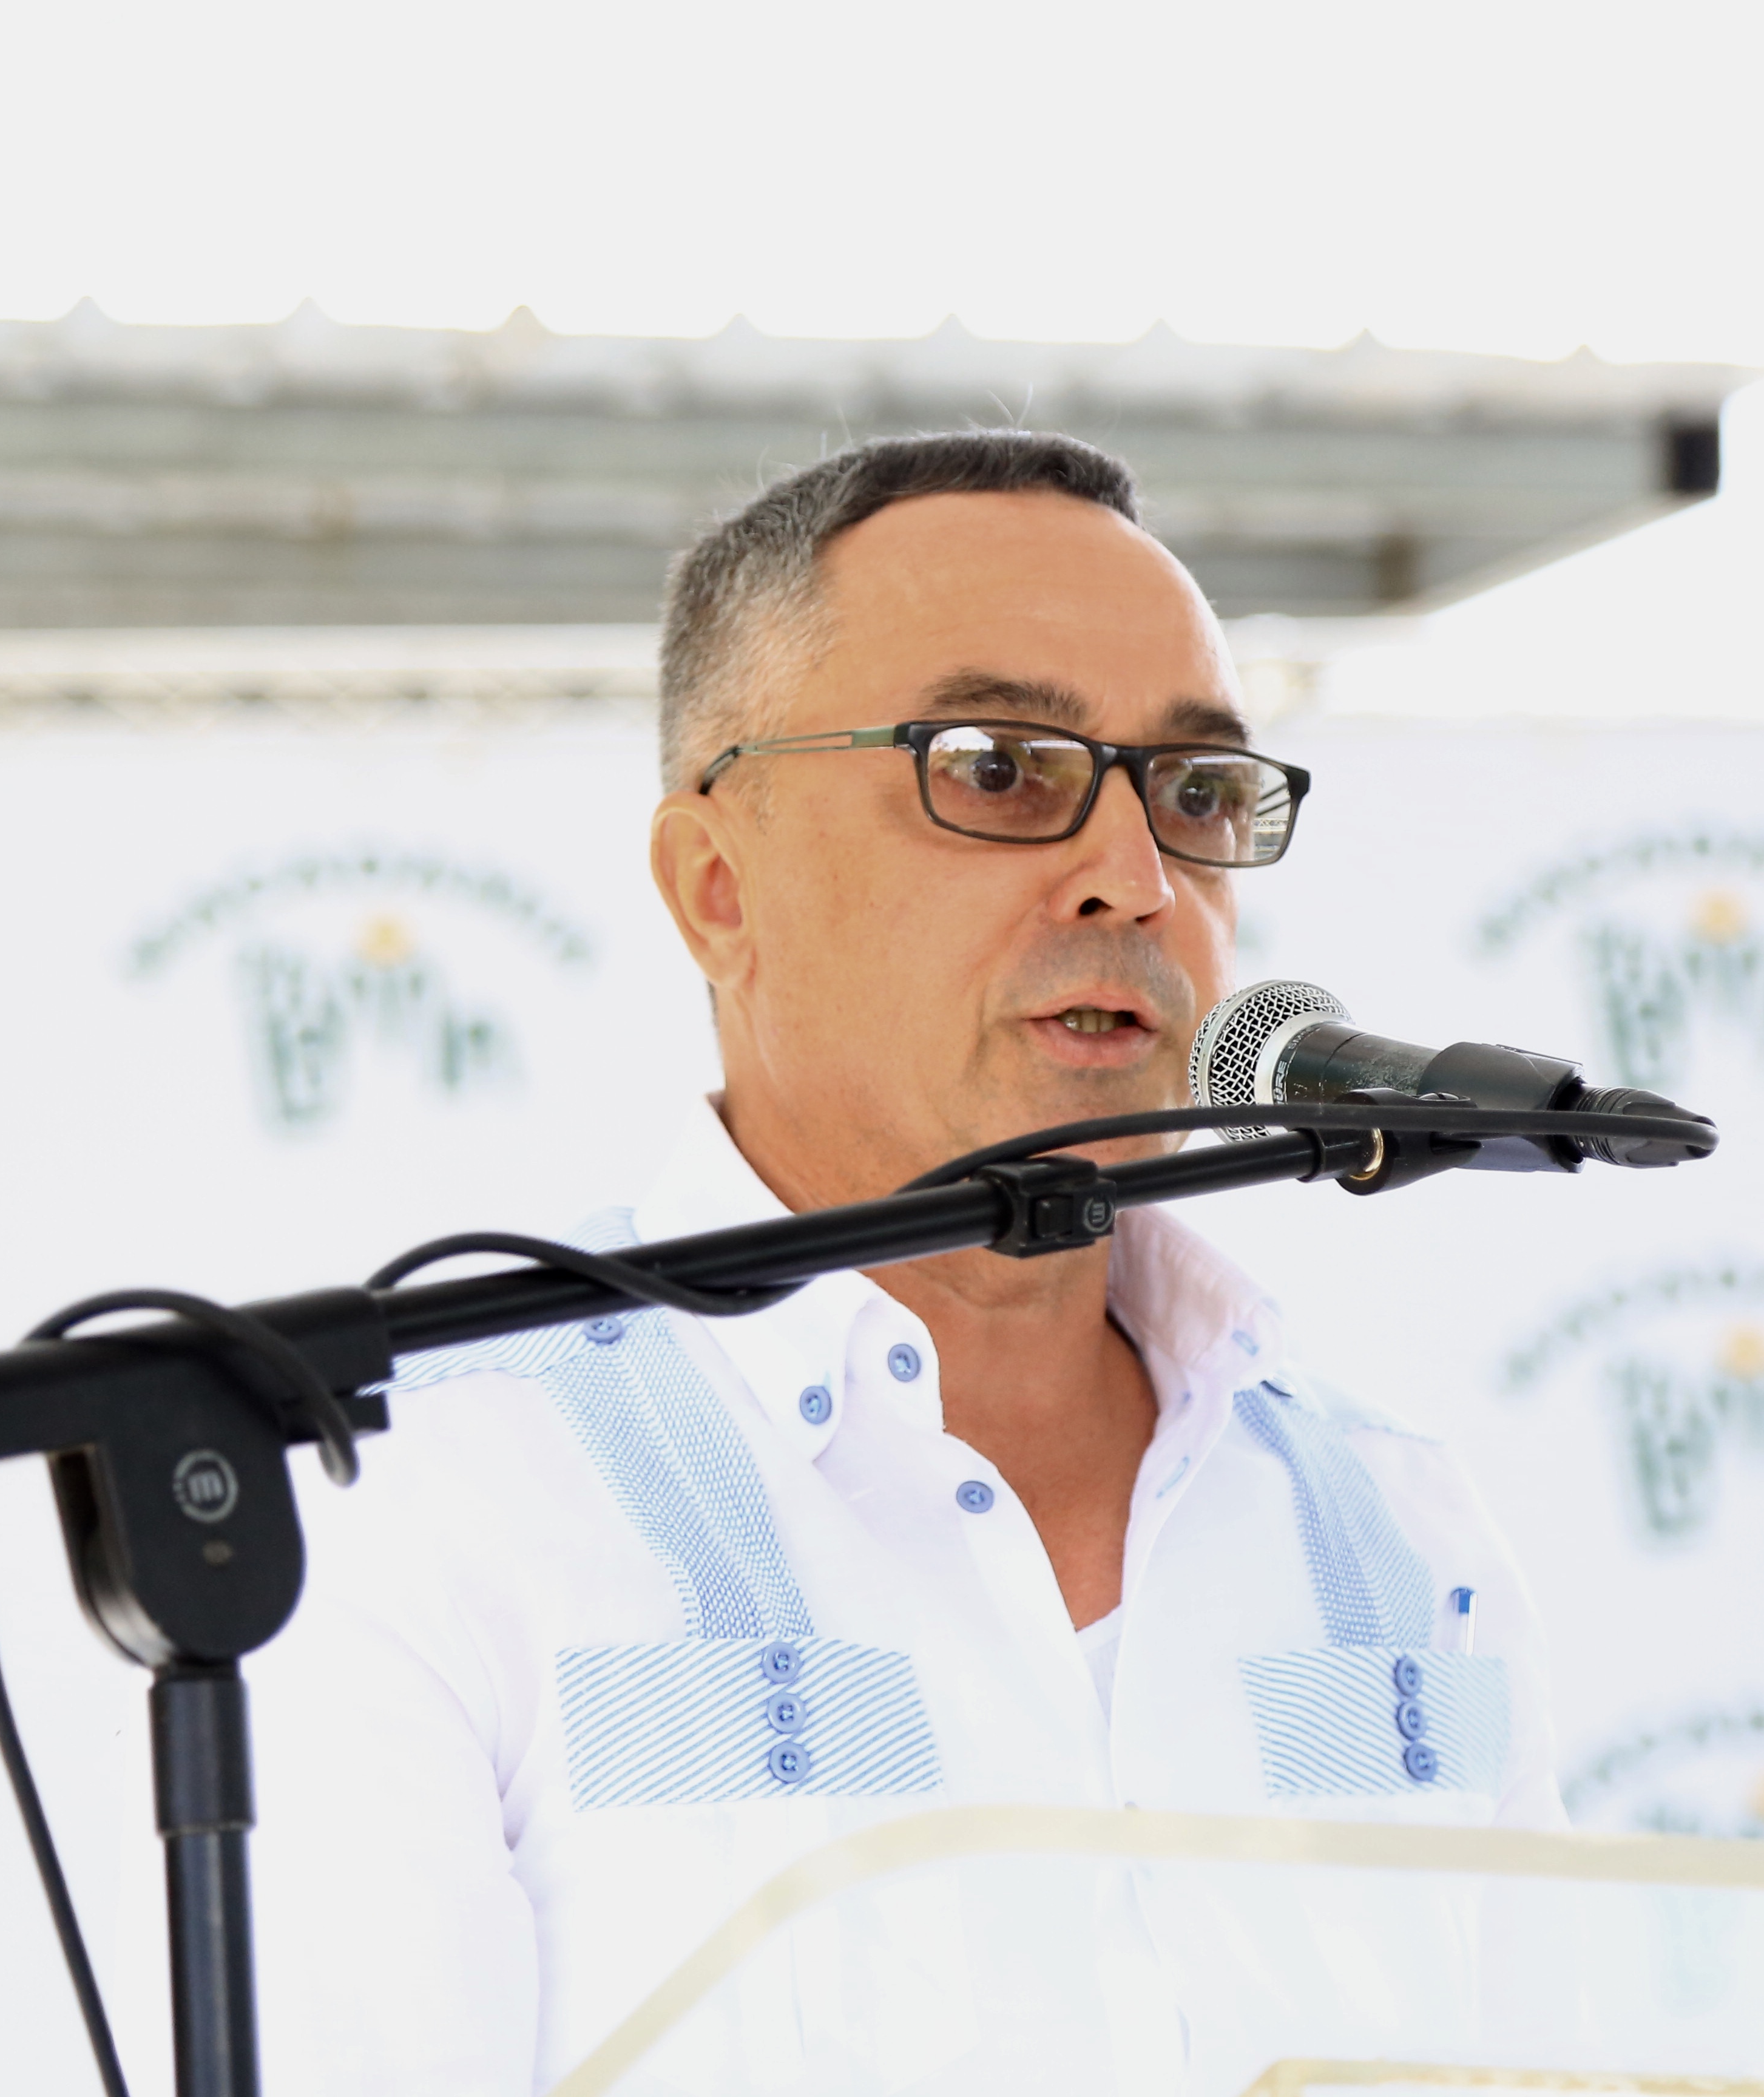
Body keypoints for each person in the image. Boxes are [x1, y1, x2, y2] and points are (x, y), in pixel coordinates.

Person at [249, 432, 1561, 2092]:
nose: (1136, 880)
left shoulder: (1396, 1526)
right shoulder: (428, 1495)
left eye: (1194, 791)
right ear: (718, 888)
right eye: (1000, 770)